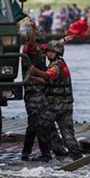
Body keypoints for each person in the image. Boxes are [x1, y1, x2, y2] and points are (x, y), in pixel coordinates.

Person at [20, 21, 71, 161]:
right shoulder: (28, 48)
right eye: (37, 33)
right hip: (32, 90)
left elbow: (53, 47)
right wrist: (33, 30)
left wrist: (65, 39)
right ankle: (44, 152)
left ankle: (52, 149)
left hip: (42, 88)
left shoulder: (41, 48)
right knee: (38, 122)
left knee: (42, 121)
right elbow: (31, 44)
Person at [28, 40, 83, 162]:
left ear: (57, 53)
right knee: (68, 133)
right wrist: (32, 78)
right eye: (47, 51)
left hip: (55, 105)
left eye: (50, 52)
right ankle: (77, 157)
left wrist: (34, 71)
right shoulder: (62, 64)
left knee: (41, 126)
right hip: (67, 105)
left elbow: (48, 76)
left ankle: (46, 155)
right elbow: (48, 81)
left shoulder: (56, 66)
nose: (48, 54)